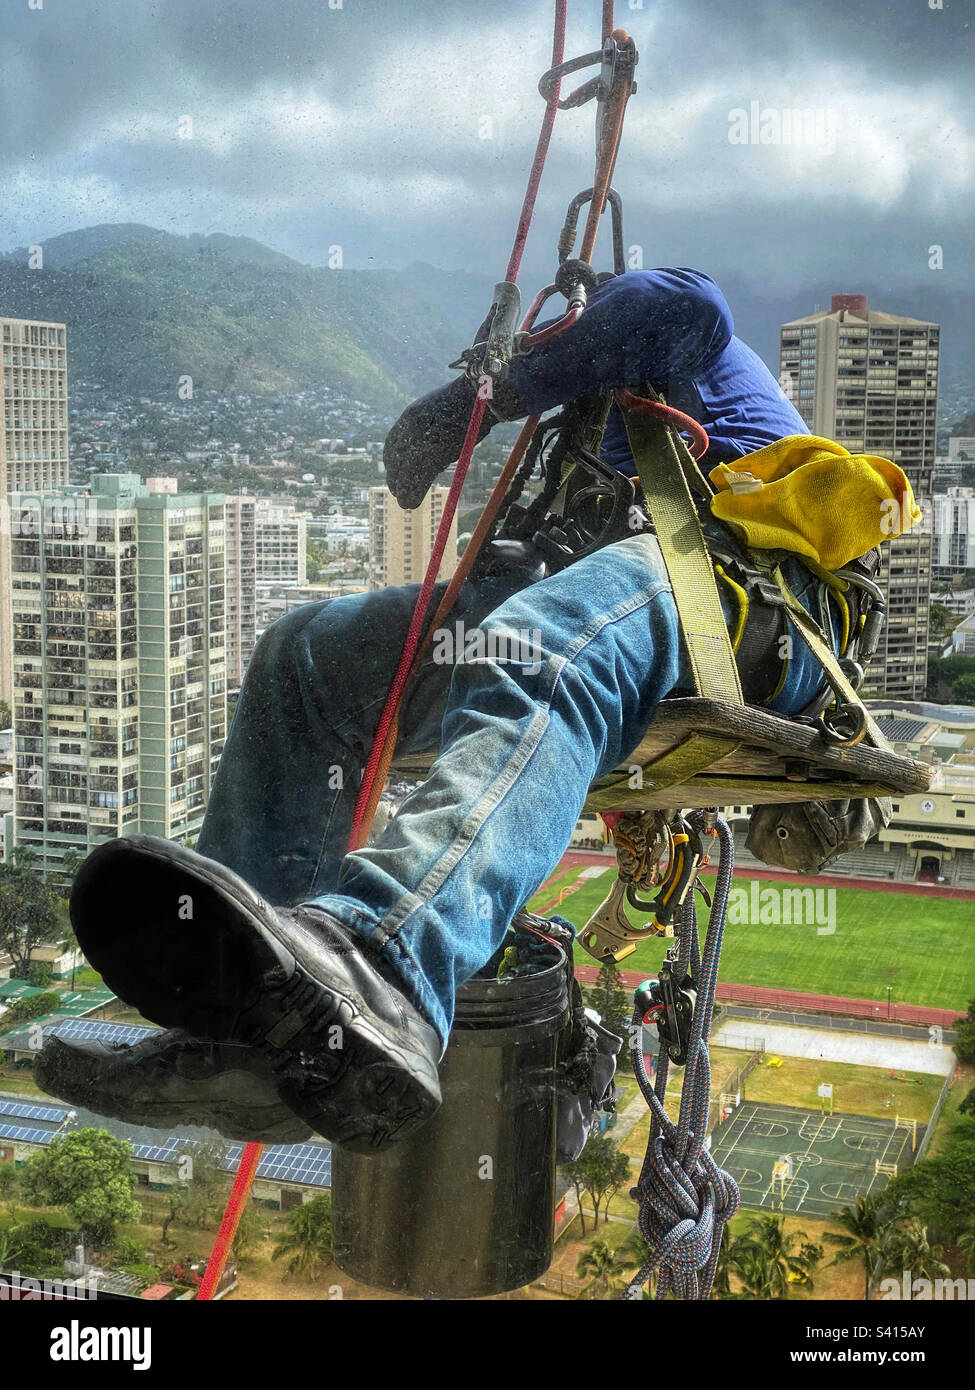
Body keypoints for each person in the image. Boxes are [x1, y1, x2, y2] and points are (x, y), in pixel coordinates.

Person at [36, 269, 846, 1150]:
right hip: (612, 611)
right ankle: (254, 1025)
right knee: (303, 657)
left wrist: (476, 401)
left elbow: (677, 308)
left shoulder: (689, 348)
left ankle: (383, 961)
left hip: (756, 608)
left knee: (532, 640)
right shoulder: (585, 437)